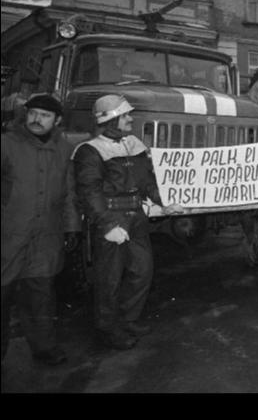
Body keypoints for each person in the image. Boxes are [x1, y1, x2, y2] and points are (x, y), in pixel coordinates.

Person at [72, 95, 184, 350]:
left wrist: (163, 202)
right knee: (109, 278)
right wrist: (109, 226)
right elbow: (90, 192)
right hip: (113, 219)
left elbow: (146, 182)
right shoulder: (90, 151)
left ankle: (128, 318)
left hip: (136, 217)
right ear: (109, 119)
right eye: (124, 115)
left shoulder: (134, 144)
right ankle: (107, 329)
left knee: (143, 271)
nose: (130, 118)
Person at [2, 95, 81, 366]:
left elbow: (69, 192)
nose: (37, 119)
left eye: (45, 115)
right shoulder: (6, 144)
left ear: (57, 120)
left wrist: (72, 228)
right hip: (8, 235)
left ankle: (44, 347)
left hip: (46, 235)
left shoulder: (64, 148)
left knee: (41, 294)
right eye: (33, 113)